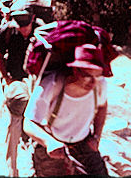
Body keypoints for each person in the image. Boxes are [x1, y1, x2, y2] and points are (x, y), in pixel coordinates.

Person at [23, 43, 109, 176]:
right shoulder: (52, 84)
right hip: (52, 144)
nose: (93, 82)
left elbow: (102, 107)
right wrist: (49, 142)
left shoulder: (100, 85)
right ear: (75, 70)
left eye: (97, 76)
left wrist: (97, 136)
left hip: (83, 142)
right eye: (88, 76)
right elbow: (28, 123)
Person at [0, 4, 37, 177]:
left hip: (34, 80)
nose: (24, 29)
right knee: (15, 119)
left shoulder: (41, 31)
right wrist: (6, 77)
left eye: (26, 25)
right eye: (20, 25)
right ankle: (12, 168)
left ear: (32, 19)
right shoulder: (7, 30)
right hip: (14, 78)